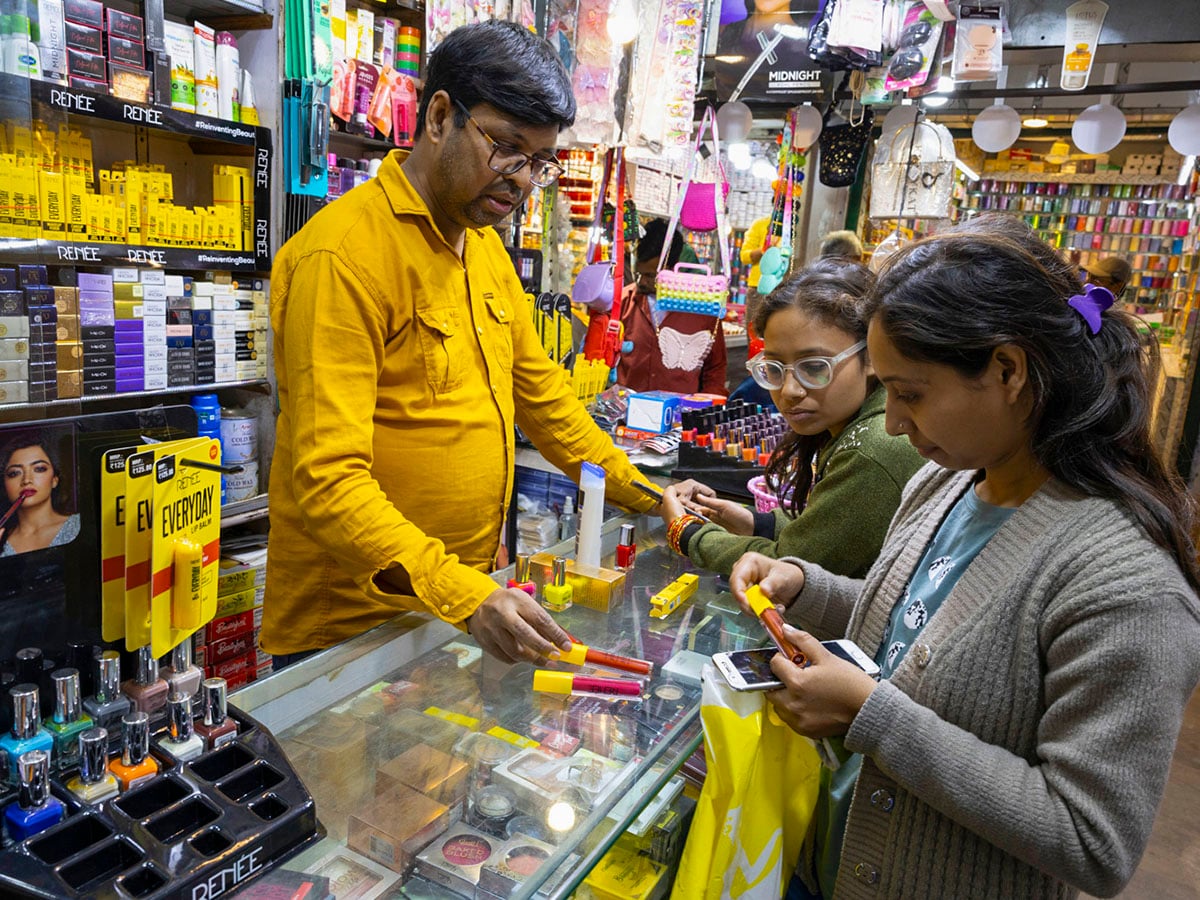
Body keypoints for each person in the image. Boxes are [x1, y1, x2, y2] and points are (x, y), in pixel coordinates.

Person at [728, 214, 1200, 899]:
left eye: (912, 395)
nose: (891, 422)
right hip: (834, 859)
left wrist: (873, 718)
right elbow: (926, 627)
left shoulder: (1126, 587)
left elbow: (1094, 840)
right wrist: (804, 583)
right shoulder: (950, 478)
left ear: (1007, 370)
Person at [262, 22, 658, 667]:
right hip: (349, 630)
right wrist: (463, 594)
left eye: (539, 162)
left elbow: (547, 405)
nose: (522, 180)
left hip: (453, 612)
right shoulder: (344, 255)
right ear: (441, 115)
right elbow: (327, 479)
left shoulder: (484, 251)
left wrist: (648, 494)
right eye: (506, 149)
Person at [660, 260, 922, 576]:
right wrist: (759, 522)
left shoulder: (874, 449)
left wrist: (686, 531)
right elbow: (827, 537)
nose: (790, 390)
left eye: (813, 367)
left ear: (872, 356)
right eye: (774, 369)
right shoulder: (857, 425)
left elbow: (791, 567)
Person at [616, 218, 728, 396]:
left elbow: (715, 368)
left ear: (672, 268)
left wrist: (707, 404)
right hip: (627, 412)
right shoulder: (623, 302)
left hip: (680, 416)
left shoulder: (702, 308)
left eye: (650, 275)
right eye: (638, 273)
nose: (641, 282)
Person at [0, 433, 79, 556]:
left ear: (54, 480)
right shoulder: (3, 540)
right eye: (14, 473)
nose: (26, 480)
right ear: (4, 485)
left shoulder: (78, 526)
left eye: (39, 469)